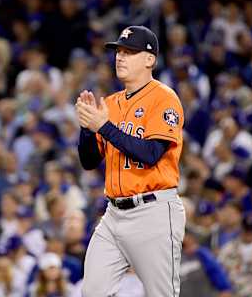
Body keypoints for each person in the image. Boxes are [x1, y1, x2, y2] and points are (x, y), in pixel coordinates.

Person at [76, 25, 186, 297]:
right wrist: (87, 128)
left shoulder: (164, 98)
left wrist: (104, 126)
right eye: (118, 52)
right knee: (92, 291)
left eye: (129, 52)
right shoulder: (110, 103)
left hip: (153, 213)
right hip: (113, 214)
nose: (120, 57)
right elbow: (89, 161)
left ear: (150, 59)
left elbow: (150, 155)